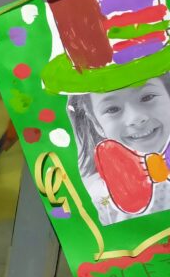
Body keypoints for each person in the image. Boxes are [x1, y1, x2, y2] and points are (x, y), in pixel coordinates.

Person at [67, 75, 170, 225]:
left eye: (147, 97)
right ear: (96, 123)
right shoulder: (100, 199)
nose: (136, 118)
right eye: (112, 109)